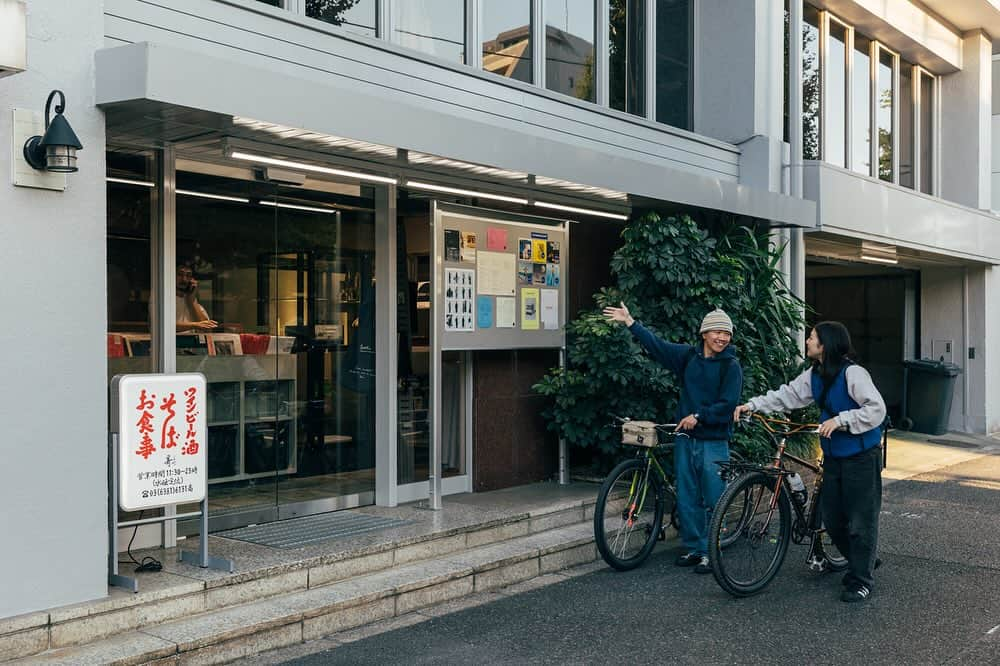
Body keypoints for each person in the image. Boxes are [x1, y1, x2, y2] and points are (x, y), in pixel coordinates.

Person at [733, 321, 886, 603]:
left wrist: (842, 420)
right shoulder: (814, 374)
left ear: (825, 344)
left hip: (862, 457)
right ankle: (862, 560)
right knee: (833, 519)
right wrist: (753, 405)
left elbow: (876, 409)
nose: (807, 341)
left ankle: (861, 579)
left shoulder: (854, 373)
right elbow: (787, 395)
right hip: (834, 456)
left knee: (860, 521)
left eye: (812, 337)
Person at [604, 302, 743, 575]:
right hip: (685, 438)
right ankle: (694, 547)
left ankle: (710, 551)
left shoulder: (731, 366)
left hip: (712, 439)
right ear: (704, 333)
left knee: (713, 496)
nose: (722, 338)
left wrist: (699, 416)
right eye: (717, 332)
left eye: (726, 334)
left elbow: (728, 404)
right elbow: (657, 346)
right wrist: (631, 322)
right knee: (688, 494)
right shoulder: (688, 357)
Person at [176, 264, 217, 332]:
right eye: (180, 274)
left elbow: (206, 326)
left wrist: (192, 300)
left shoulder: (191, 299)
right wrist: (194, 325)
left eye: (188, 276)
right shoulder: (165, 298)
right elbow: (164, 325)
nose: (184, 279)